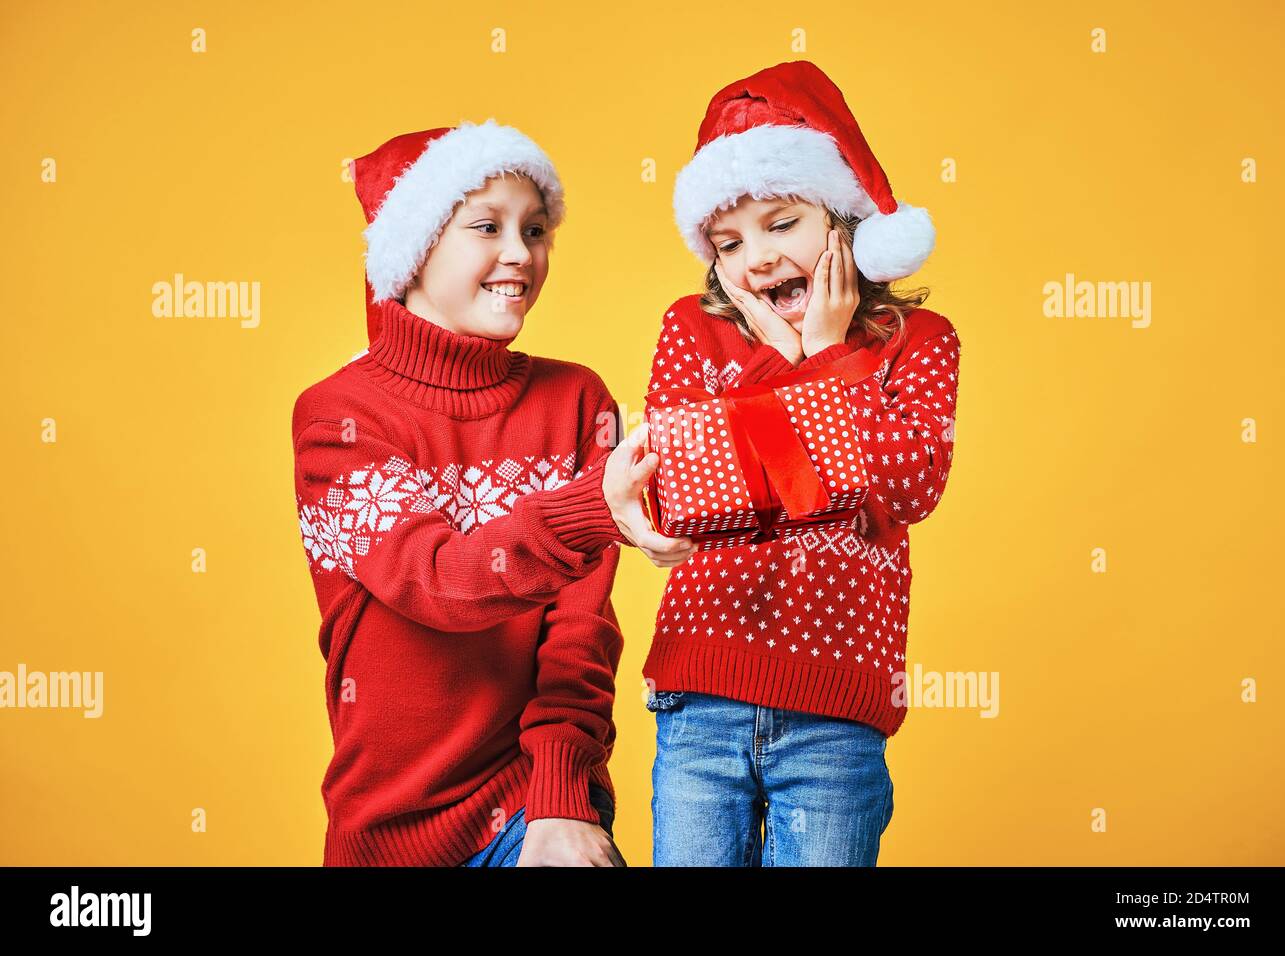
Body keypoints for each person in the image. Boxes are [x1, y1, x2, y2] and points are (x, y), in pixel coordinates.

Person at [292, 120, 694, 867]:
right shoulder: (338, 419)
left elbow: (580, 633)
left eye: (535, 228)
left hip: (533, 806)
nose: (522, 253)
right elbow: (439, 582)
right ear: (412, 252)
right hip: (389, 828)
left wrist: (562, 800)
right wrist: (592, 510)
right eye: (488, 226)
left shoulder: (578, 401)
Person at [642, 60, 962, 866]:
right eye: (729, 242)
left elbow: (908, 486)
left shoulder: (919, 343)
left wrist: (821, 357)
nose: (755, 258)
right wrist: (782, 373)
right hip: (700, 695)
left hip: (835, 711)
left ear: (845, 219)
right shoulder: (692, 329)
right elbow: (687, 497)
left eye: (782, 224)